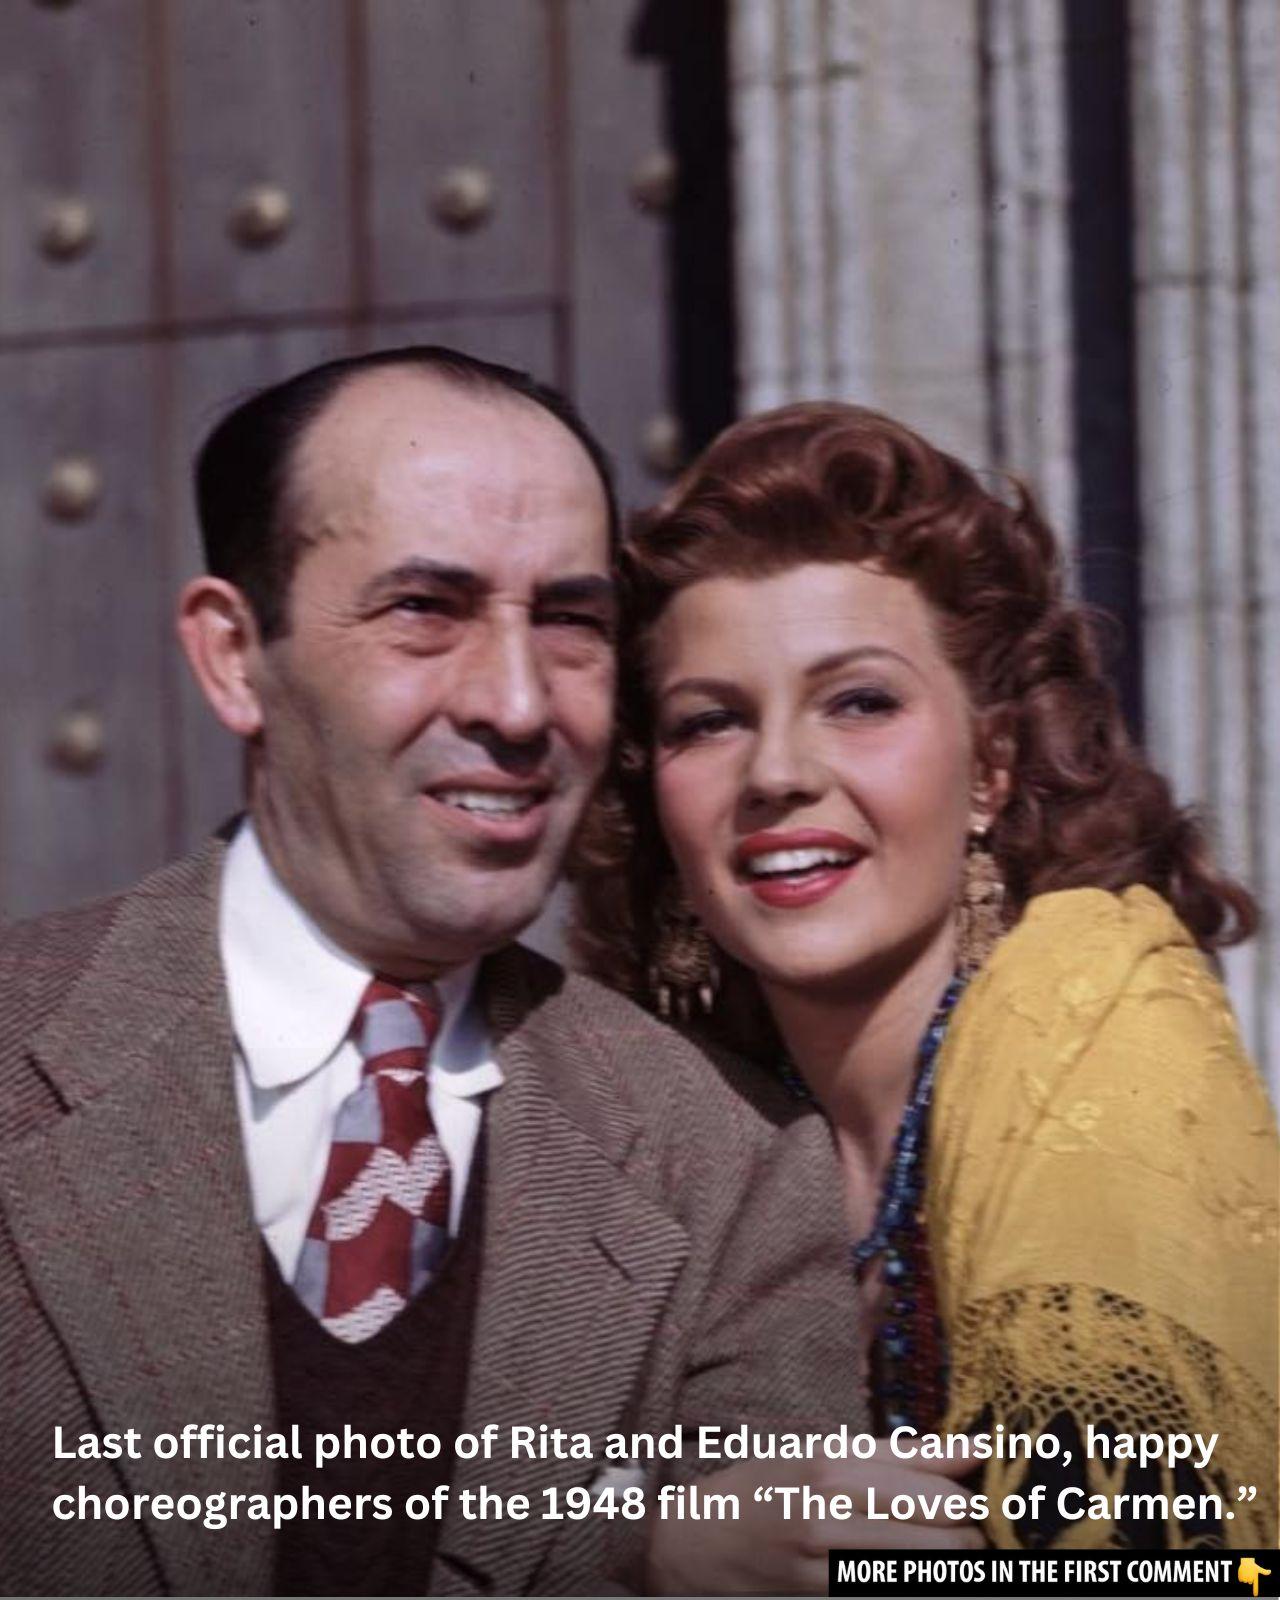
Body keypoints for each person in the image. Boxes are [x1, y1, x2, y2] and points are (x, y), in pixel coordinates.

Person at [0, 349, 865, 1598]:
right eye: (424, 608)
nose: (516, 702)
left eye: (568, 621)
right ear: (235, 656)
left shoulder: (728, 1168)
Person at [573, 400, 1279, 1578]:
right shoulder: (658, 1117)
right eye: (710, 721)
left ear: (990, 769)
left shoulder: (1101, 1041)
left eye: (858, 701)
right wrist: (654, 1543)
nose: (777, 773)